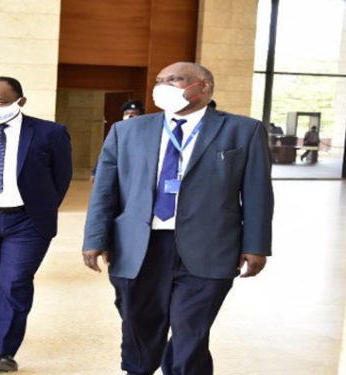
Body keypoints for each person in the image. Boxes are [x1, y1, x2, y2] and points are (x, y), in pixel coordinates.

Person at [83, 62, 273, 375]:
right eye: (160, 81)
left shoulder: (243, 130)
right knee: (139, 326)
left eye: (175, 80)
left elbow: (257, 193)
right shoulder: (127, 130)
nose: (164, 87)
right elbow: (105, 191)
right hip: (139, 246)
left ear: (204, 86)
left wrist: (256, 245)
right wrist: (94, 238)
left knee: (191, 332)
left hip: (210, 246)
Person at [0, 76, 72, 372]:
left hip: (27, 222)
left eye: (1, 102)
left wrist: (39, 208)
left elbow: (61, 177)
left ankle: (3, 350)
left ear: (21, 101)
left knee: (15, 282)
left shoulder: (50, 133)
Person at [91, 100, 146, 183]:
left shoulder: (148, 132)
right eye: (127, 114)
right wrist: (96, 172)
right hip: (120, 174)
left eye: (134, 113)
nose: (130, 116)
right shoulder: (117, 131)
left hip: (140, 176)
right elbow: (107, 154)